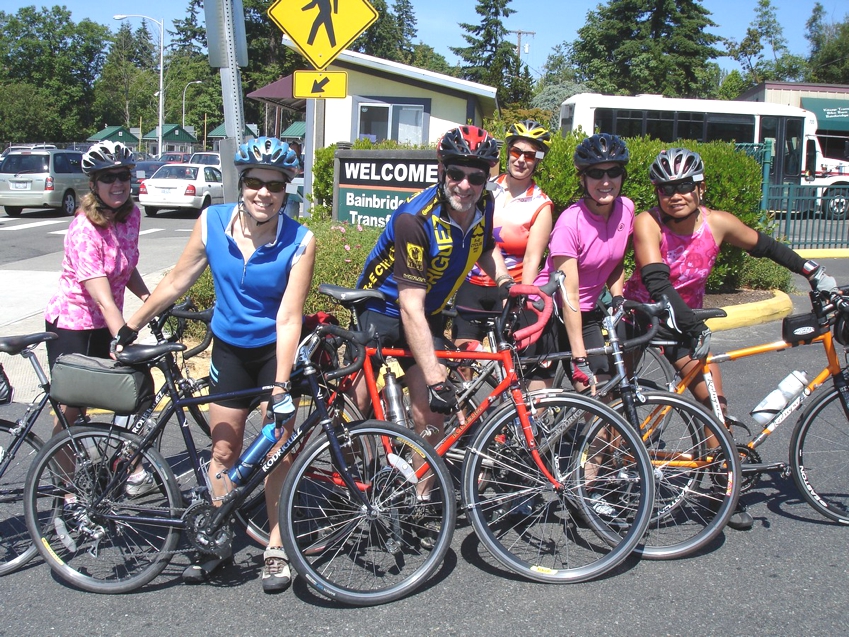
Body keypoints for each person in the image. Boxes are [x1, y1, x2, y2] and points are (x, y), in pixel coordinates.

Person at [112, 137, 315, 592]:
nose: (264, 193)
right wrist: (130, 327)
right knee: (223, 451)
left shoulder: (301, 239)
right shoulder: (211, 222)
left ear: (286, 191)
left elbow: (289, 316)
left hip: (275, 354)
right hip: (228, 351)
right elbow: (178, 280)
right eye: (255, 183)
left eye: (275, 186)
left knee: (279, 452)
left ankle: (277, 547)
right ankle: (218, 536)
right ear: (241, 185)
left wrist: (281, 386)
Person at [623, 147, 838, 530]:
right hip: (642, 318)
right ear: (656, 193)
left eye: (685, 185)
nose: (676, 194)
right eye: (666, 188)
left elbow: (767, 247)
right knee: (615, 400)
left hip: (684, 324)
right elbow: (656, 279)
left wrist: (812, 271)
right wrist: (689, 323)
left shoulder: (717, 223)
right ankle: (599, 479)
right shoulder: (647, 223)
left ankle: (722, 492)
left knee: (714, 405)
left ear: (700, 188)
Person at [351, 125, 510, 546]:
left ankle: (420, 495)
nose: (466, 185)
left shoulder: (485, 203)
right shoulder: (415, 221)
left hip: (432, 312)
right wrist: (438, 375)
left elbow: (488, 249)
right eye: (456, 173)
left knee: (431, 411)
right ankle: (354, 480)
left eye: (477, 177)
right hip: (383, 310)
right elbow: (408, 306)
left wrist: (508, 285)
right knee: (359, 403)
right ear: (441, 169)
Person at [44, 141, 150, 449]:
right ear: (94, 184)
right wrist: (124, 339)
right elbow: (102, 296)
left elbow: (125, 266)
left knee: (133, 392)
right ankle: (66, 492)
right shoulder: (84, 229)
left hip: (106, 323)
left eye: (123, 176)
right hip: (73, 327)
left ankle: (128, 466)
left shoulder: (131, 217)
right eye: (108, 177)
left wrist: (151, 300)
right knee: (71, 412)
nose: (117, 183)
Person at [532, 133, 634, 394]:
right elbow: (570, 296)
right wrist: (579, 358)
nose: (606, 181)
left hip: (585, 313)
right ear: (583, 179)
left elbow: (616, 260)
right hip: (549, 312)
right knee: (539, 399)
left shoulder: (627, 209)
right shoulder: (570, 223)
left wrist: (618, 296)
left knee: (599, 393)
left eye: (613, 172)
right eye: (596, 174)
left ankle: (589, 435)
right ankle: (506, 434)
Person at [452, 120, 554, 354]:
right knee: (461, 361)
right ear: (508, 153)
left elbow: (531, 260)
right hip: (471, 285)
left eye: (529, 155)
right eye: (517, 152)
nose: (521, 160)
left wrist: (521, 297)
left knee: (507, 363)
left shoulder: (541, 204)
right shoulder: (483, 189)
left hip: (510, 289)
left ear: (537, 160)